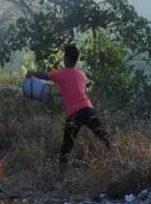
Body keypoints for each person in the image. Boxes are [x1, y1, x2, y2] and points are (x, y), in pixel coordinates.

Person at [27, 44, 110, 175]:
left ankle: (61, 177)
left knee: (66, 146)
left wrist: (31, 73)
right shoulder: (82, 75)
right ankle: (120, 163)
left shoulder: (61, 74)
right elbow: (73, 90)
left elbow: (44, 76)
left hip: (74, 115)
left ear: (67, 58)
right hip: (88, 110)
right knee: (105, 138)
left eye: (64, 56)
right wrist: (55, 94)